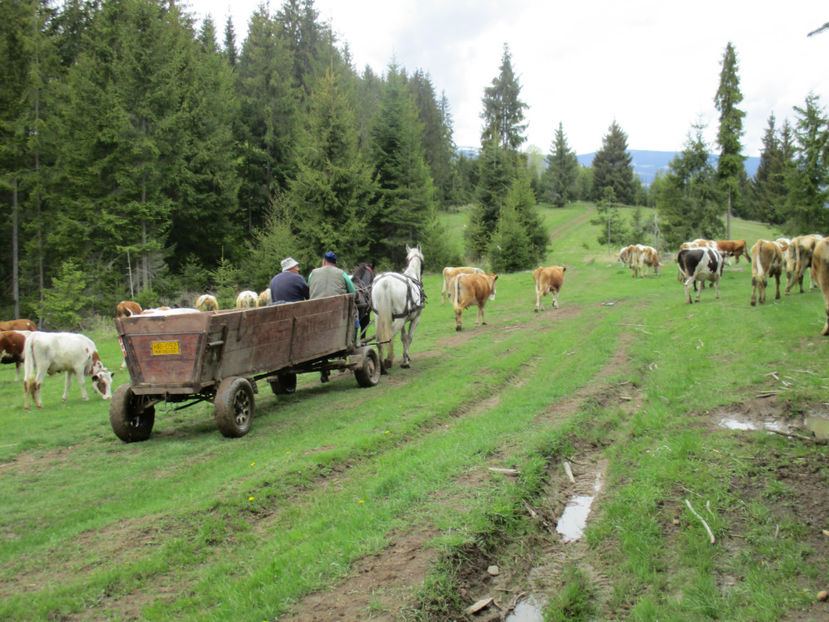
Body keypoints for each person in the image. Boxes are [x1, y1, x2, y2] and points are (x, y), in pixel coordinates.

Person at [308, 251, 356, 382]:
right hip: (337, 315)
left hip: (317, 316)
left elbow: (310, 289)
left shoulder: (313, 273)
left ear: (323, 261)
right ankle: (351, 343)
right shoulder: (342, 274)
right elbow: (352, 292)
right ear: (335, 263)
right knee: (354, 318)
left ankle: (324, 369)